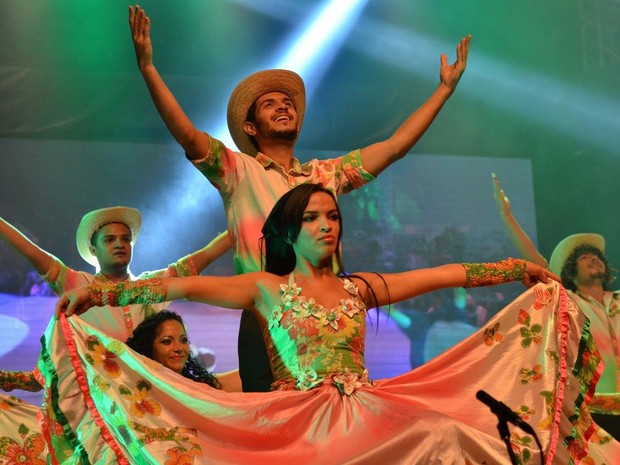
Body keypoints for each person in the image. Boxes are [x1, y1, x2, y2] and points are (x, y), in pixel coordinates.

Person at [50, 183, 615, 464]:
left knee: (448, 434)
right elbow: (176, 286)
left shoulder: (359, 288)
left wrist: (514, 268)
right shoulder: (265, 289)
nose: (327, 225)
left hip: (367, 408)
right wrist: (101, 291)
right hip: (300, 420)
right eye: (313, 217)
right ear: (290, 232)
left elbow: (445, 274)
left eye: (333, 217)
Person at [129, 5, 472, 391]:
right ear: (250, 127)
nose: (284, 106)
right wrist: (148, 70)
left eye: (287, 102)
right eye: (270, 104)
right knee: (270, 430)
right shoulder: (238, 171)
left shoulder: (324, 175)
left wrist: (443, 91)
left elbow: (394, 147)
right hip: (265, 311)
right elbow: (189, 137)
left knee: (338, 418)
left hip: (327, 315)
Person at [493, 173, 620, 439]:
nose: (594, 260)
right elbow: (536, 261)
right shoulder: (570, 301)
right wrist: (507, 217)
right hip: (596, 408)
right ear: (571, 272)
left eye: (596, 257)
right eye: (585, 258)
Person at [125, 310, 242, 392]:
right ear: (148, 347)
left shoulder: (202, 387)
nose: (178, 348)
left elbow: (243, 378)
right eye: (167, 341)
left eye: (183, 340)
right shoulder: (140, 393)